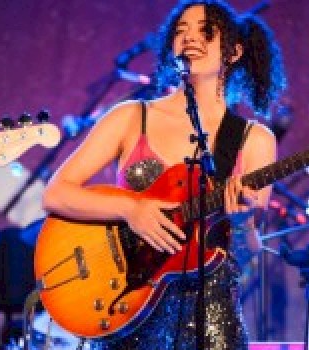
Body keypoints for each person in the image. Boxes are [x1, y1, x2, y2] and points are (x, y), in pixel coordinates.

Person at [42, 0, 285, 348]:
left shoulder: (253, 139)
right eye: (181, 31)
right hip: (125, 304)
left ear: (233, 52)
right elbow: (56, 194)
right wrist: (131, 210)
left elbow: (247, 251)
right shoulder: (130, 117)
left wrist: (244, 220)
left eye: (206, 31)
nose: (190, 38)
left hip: (211, 316)